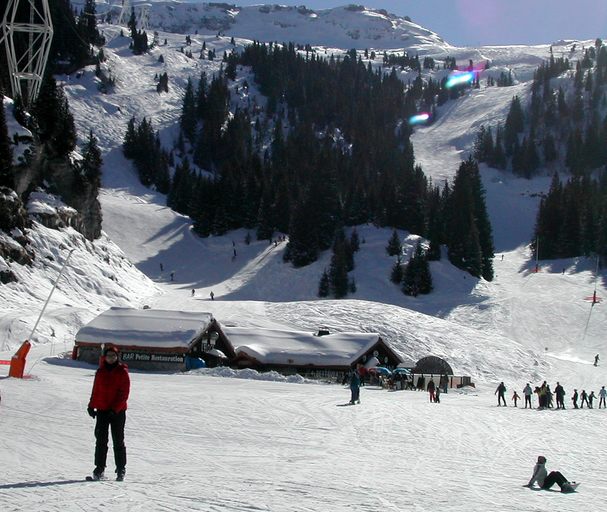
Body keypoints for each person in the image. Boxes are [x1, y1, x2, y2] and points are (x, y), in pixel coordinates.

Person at [87, 345, 130, 481]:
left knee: (118, 440)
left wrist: (115, 409)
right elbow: (96, 390)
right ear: (104, 357)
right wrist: (91, 405)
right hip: (102, 410)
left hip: (117, 412)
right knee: (101, 440)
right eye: (108, 356)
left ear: (117, 357)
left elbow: (124, 394)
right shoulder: (101, 372)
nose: (111, 358)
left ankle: (121, 468)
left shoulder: (122, 372)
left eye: (113, 356)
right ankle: (99, 468)